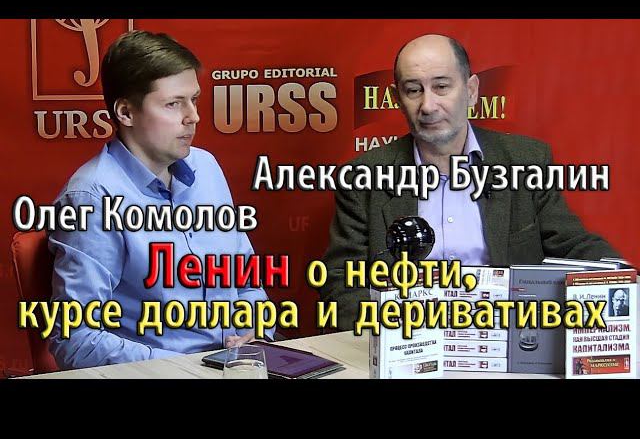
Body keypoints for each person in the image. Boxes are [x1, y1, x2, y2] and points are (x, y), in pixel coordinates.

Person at [320, 33, 619, 330]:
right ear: (398, 99)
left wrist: (624, 282)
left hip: (505, 335)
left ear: (471, 91)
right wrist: (392, 334)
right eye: (413, 90)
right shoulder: (363, 177)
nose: (428, 105)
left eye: (441, 87)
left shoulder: (526, 161)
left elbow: (573, 245)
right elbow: (341, 283)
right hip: (409, 340)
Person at [48, 30, 271, 369]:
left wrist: (255, 328)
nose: (193, 116)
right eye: (173, 104)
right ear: (126, 112)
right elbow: (74, 338)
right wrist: (185, 366)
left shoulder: (207, 167)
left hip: (237, 366)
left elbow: (245, 281)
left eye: (194, 100)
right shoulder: (92, 198)